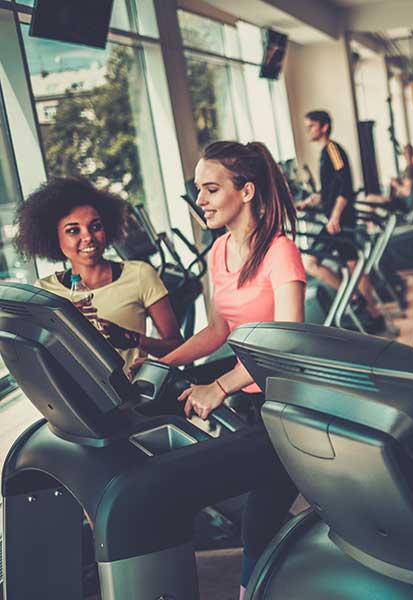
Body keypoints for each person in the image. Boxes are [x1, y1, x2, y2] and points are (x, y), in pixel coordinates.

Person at [155, 141, 306, 600]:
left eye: (210, 188)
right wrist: (163, 363)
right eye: (197, 189)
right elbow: (219, 328)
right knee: (256, 515)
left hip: (288, 402)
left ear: (246, 191)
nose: (199, 200)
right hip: (251, 398)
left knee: (259, 522)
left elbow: (286, 343)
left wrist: (219, 385)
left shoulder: (280, 252)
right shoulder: (219, 251)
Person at [14, 177, 183, 373]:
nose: (88, 237)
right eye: (73, 230)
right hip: (75, 398)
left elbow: (177, 347)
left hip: (130, 394)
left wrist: (133, 339)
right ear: (54, 237)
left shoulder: (139, 274)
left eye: (95, 226)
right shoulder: (44, 291)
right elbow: (38, 359)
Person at [297, 110, 384, 330]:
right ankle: (362, 303)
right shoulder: (325, 153)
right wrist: (310, 202)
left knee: (322, 264)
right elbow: (330, 190)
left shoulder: (333, 150)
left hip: (339, 221)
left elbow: (345, 188)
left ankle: (365, 305)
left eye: (311, 126)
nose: (308, 130)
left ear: (324, 127)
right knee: (350, 265)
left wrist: (335, 216)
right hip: (335, 220)